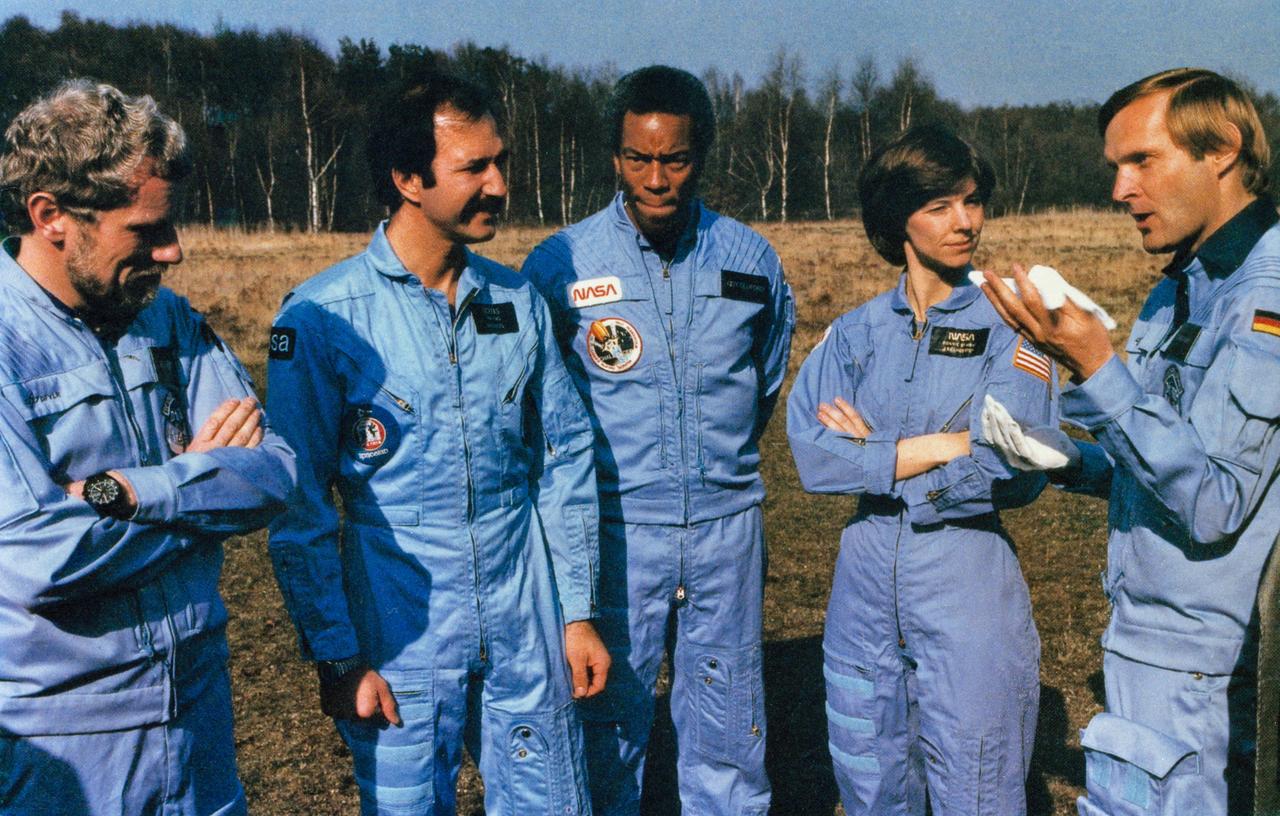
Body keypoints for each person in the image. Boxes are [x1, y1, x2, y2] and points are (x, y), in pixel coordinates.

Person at [266, 72, 608, 816]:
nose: (500, 185)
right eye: (475, 168)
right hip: (400, 621)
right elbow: (299, 507)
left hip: (524, 611)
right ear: (408, 179)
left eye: (502, 162)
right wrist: (336, 652)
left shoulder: (516, 301)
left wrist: (575, 612)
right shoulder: (324, 318)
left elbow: (564, 460)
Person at [980, 68, 1280, 815]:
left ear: (1223, 151)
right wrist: (1070, 460)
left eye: (1141, 161)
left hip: (1209, 672)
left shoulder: (1265, 297)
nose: (1120, 189)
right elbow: (1161, 450)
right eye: (1116, 166)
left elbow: (1212, 503)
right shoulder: (1178, 288)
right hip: (1148, 644)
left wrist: (1094, 365)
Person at [0, 80, 296, 814]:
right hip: (67, 747)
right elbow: (35, 558)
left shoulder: (167, 320)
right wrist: (201, 487)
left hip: (200, 722)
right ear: (52, 217)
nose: (175, 249)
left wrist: (131, 491)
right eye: (146, 230)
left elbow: (276, 472)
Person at [521, 64, 793, 816]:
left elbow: (764, 382)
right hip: (615, 533)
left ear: (701, 157)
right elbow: (540, 412)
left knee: (729, 732)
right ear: (614, 158)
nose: (656, 178)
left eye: (674, 158)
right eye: (638, 158)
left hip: (726, 529)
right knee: (607, 732)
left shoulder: (750, 261)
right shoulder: (558, 266)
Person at [788, 124, 1056, 816]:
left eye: (972, 202)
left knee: (977, 781)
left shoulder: (1013, 328)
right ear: (895, 220)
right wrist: (942, 444)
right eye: (939, 205)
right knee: (870, 774)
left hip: (965, 574)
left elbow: (1014, 463)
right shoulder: (855, 333)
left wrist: (874, 457)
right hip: (863, 580)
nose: (964, 221)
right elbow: (813, 456)